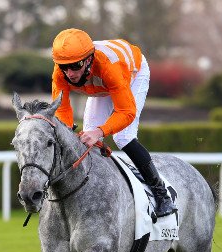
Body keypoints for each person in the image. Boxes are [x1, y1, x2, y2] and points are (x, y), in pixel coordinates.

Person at [51, 28, 175, 217]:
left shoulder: (109, 66)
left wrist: (100, 132)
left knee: (122, 137)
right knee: (87, 141)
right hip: (103, 84)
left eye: (75, 66)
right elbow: (62, 110)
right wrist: (67, 133)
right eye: (64, 67)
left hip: (131, 74)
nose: (70, 73)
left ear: (88, 60)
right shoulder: (60, 73)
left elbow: (126, 112)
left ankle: (161, 194)